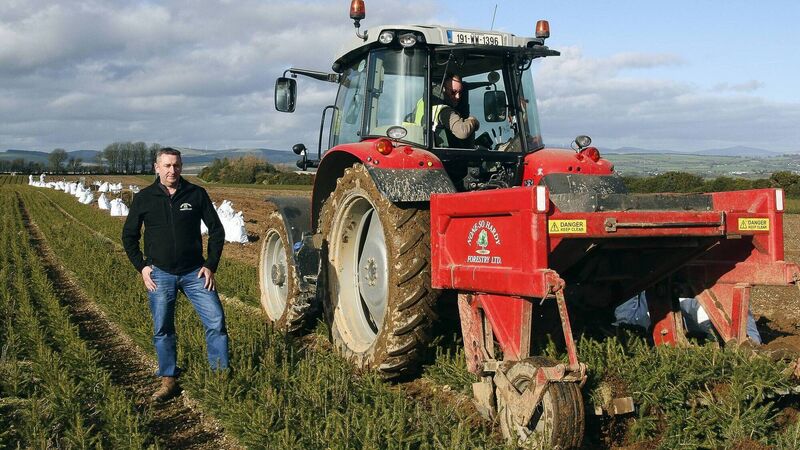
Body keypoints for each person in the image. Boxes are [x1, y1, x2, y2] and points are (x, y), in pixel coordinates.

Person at [122, 147, 229, 402]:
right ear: (156, 167)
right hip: (160, 274)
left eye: (177, 165)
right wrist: (142, 267)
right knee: (163, 328)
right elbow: (129, 236)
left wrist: (210, 265)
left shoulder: (196, 194)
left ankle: (220, 377)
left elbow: (217, 231)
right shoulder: (145, 198)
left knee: (216, 322)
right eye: (167, 166)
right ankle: (168, 379)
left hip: (195, 273)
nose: (173, 170)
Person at [434, 74, 480, 147]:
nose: (457, 97)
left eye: (460, 92)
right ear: (443, 89)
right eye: (453, 92)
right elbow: (462, 132)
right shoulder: (444, 111)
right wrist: (473, 120)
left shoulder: (425, 104)